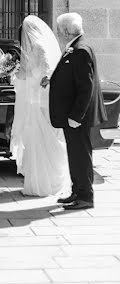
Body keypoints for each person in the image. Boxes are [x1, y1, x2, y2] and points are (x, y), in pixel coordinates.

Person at [49, 12, 107, 210]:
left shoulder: (80, 49)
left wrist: (76, 116)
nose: (57, 34)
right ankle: (77, 191)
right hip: (73, 115)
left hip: (77, 116)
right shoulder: (76, 47)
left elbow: (86, 87)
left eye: (58, 30)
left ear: (66, 31)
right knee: (75, 155)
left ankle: (85, 197)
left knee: (80, 156)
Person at [10, 15, 70, 196]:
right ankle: (38, 183)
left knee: (42, 140)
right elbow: (27, 74)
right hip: (34, 100)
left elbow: (47, 72)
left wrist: (33, 79)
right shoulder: (32, 49)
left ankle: (44, 184)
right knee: (36, 141)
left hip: (41, 101)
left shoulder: (39, 48)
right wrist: (14, 72)